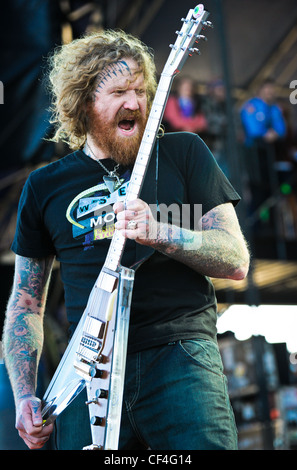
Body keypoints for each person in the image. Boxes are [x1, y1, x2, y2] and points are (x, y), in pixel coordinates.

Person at [2, 29, 250, 451]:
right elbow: (25, 304)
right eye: (118, 91)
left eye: (140, 90)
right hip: (87, 374)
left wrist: (161, 233)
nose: (134, 103)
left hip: (180, 359)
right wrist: (25, 393)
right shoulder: (45, 186)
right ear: (83, 103)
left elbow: (235, 260)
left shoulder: (185, 152)